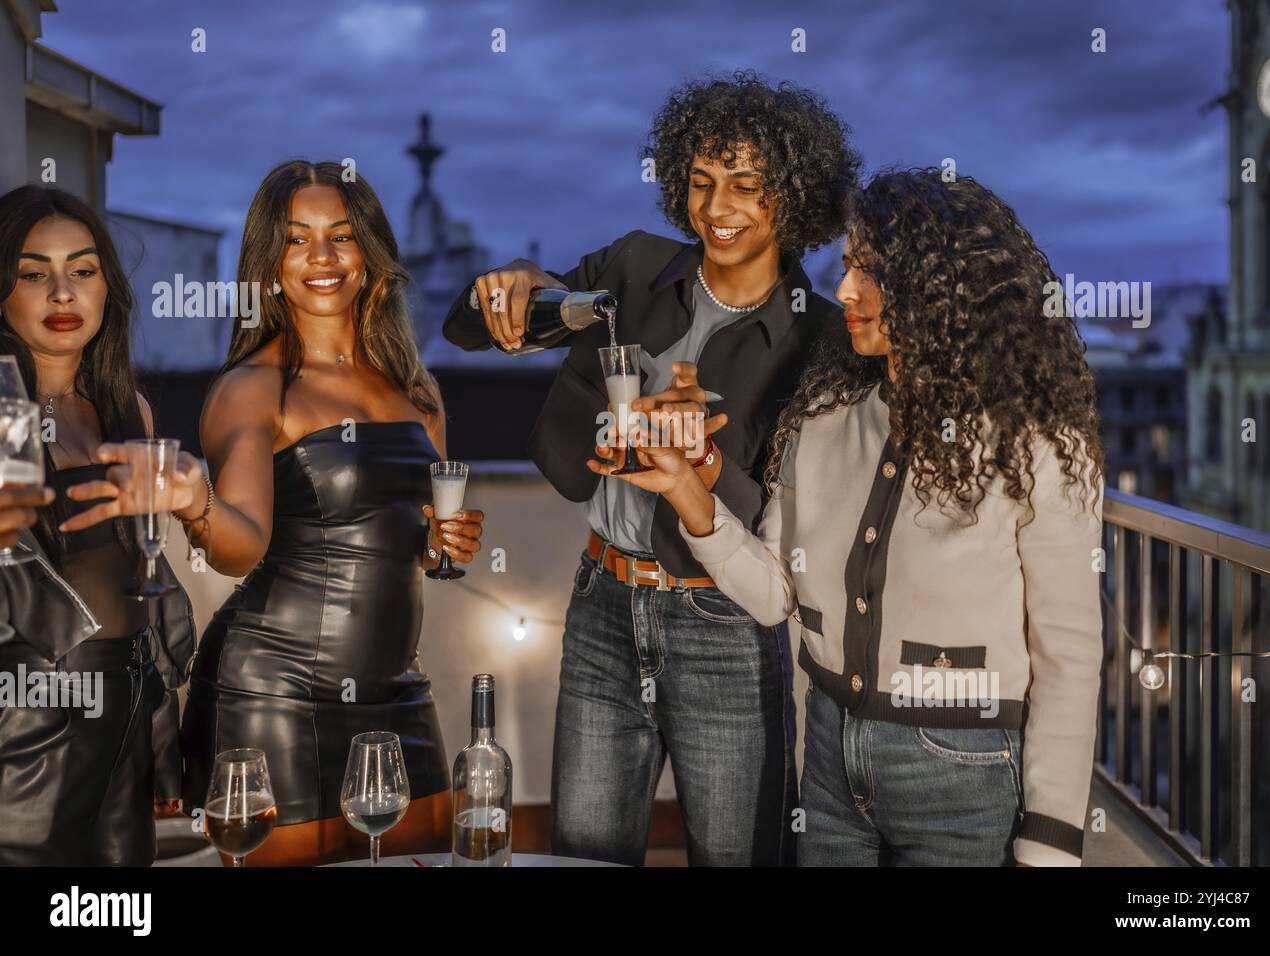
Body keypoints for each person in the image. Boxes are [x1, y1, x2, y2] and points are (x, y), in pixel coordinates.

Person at [596, 170, 1106, 866]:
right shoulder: (824, 417)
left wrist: (1050, 841)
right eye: (847, 266)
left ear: (939, 287)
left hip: (963, 769)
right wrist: (689, 494)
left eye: (871, 271)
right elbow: (777, 594)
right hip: (831, 762)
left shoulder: (1037, 446)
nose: (845, 292)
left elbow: (1068, 655)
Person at [444, 71, 860, 865]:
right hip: (602, 605)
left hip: (727, 629)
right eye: (701, 183)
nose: (717, 208)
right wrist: (515, 284)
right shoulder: (632, 269)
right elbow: (468, 328)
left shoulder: (822, 342)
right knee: (585, 857)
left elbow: (788, 525)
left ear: (794, 196)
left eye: (745, 185)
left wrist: (697, 463)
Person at [176, 161, 485, 865]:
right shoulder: (253, 388)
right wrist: (196, 502)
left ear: (370, 253)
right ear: (270, 263)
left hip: (397, 691)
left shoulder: (418, 390)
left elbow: (428, 551)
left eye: (342, 236)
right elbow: (237, 550)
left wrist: (445, 545)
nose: (323, 257)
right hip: (271, 689)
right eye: (298, 239)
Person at [0, 185, 196, 865]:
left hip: (124, 715)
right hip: (20, 724)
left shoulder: (127, 410)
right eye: (33, 274)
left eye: (82, 271)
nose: (62, 293)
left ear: (107, 287)